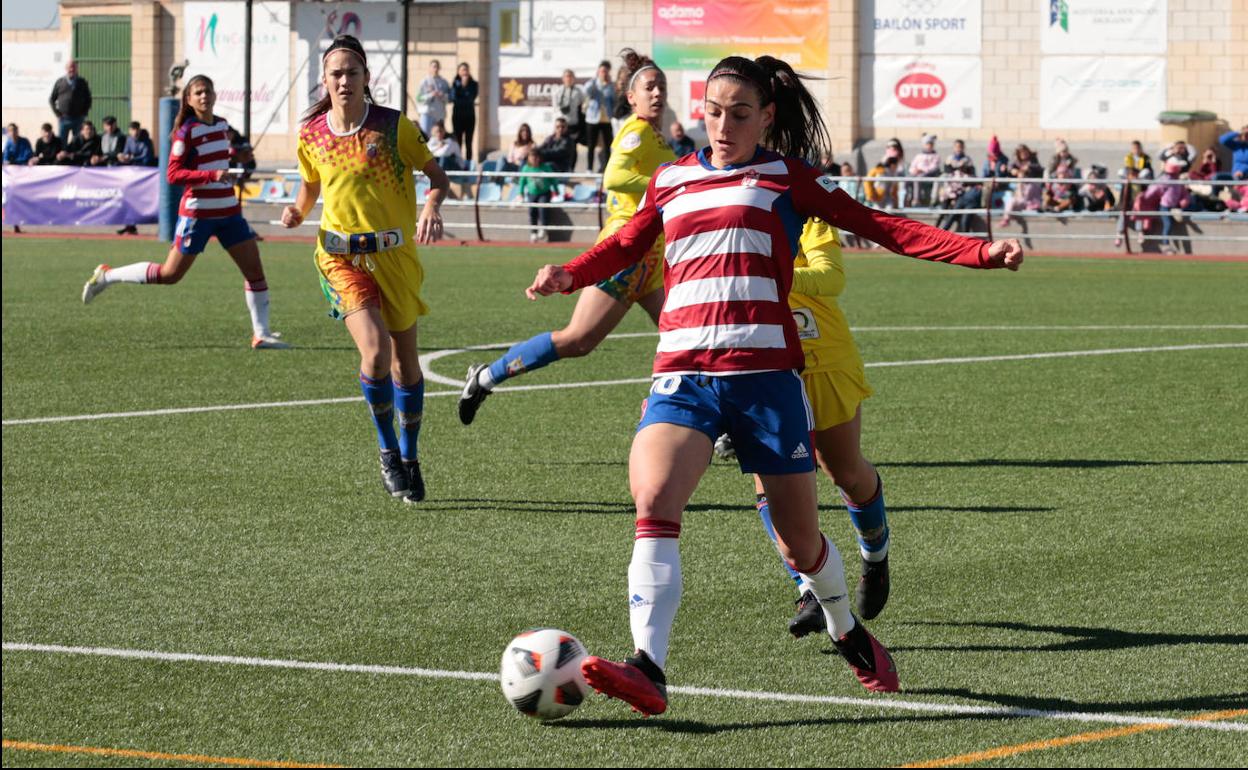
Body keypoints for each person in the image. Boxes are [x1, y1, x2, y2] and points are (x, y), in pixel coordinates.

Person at [525, 54, 1022, 716]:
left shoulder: (789, 180)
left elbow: (881, 227)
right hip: (684, 373)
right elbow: (628, 245)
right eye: (712, 112)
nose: (722, 125)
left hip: (766, 382)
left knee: (800, 543)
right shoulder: (670, 179)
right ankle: (649, 665)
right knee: (653, 496)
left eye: (738, 113)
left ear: (766, 117)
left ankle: (846, 629)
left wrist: (978, 252)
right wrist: (571, 272)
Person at [458, 48, 675, 425]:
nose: (657, 94)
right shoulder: (636, 132)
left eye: (662, 87)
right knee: (578, 340)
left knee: (688, 336)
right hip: (626, 249)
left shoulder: (659, 139)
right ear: (631, 97)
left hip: (652, 259)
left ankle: (708, 423)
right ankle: (485, 376)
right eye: (650, 87)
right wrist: (668, 188)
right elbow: (614, 178)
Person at [280, 35, 448, 502]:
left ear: (367, 78)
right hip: (339, 256)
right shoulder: (311, 134)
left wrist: (432, 204)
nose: (344, 80)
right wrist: (297, 211)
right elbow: (310, 186)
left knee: (405, 365)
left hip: (394, 257)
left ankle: (411, 457)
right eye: (336, 73)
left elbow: (437, 176)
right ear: (325, 80)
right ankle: (387, 450)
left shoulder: (394, 128)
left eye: (352, 72)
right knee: (373, 351)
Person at [81, 74, 288, 353]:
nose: (204, 96)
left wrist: (239, 158)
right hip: (198, 214)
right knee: (170, 274)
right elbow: (173, 174)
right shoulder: (186, 132)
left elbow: (225, 160)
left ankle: (261, 335)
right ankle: (107, 275)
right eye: (198, 92)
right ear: (189, 100)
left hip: (228, 212)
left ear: (215, 95)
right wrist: (212, 174)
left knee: (255, 271)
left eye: (208, 91)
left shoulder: (223, 126)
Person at [49, 60, 92, 145]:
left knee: (78, 142)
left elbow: (88, 98)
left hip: (78, 119)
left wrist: (84, 113)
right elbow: (52, 99)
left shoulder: (82, 82)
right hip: (64, 119)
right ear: (66, 69)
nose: (71, 69)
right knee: (62, 143)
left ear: (77, 69)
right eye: (69, 67)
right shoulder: (60, 82)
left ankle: (76, 158)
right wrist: (58, 114)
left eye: (73, 67)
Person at [583, 61, 616, 172]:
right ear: (598, 72)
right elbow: (586, 91)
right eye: (602, 71)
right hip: (593, 119)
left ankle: (607, 168)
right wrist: (595, 80)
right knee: (591, 145)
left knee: (608, 145)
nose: (604, 74)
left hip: (606, 119)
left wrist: (610, 85)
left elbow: (613, 100)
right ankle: (589, 168)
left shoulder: (610, 86)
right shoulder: (593, 83)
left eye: (606, 72)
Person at [518, 148, 556, 242]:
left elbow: (553, 180)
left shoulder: (545, 167)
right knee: (532, 211)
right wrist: (521, 193)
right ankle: (533, 232)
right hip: (532, 193)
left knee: (542, 208)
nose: (534, 159)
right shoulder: (526, 168)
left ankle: (543, 228)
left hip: (544, 192)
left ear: (539, 158)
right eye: (532, 157)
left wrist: (556, 190)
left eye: (536, 157)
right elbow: (522, 181)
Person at [552, 69, 587, 162]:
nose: (568, 79)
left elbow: (583, 104)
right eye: (566, 76)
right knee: (558, 146)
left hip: (573, 125)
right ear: (563, 78)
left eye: (570, 76)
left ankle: (571, 169)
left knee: (572, 148)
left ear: (574, 78)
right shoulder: (558, 91)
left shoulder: (578, 91)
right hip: (561, 125)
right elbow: (555, 108)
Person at [449, 62, 478, 164]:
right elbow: (453, 98)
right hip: (457, 116)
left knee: (469, 142)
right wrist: (461, 86)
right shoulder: (454, 84)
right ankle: (459, 162)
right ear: (458, 72)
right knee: (458, 141)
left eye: (466, 69)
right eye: (462, 70)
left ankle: (469, 162)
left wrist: (465, 86)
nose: (464, 72)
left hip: (469, 116)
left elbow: (471, 98)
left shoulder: (474, 84)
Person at [417, 60, 450, 137]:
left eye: (437, 67)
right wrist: (430, 95)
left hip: (439, 115)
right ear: (430, 68)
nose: (435, 69)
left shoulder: (444, 82)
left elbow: (449, 98)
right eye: (434, 66)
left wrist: (442, 96)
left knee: (438, 136)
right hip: (427, 114)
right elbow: (418, 98)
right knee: (425, 136)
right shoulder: (424, 81)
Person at [907, 134, 941, 206]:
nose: (929, 146)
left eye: (930, 144)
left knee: (918, 179)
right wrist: (914, 170)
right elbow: (912, 166)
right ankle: (909, 200)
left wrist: (922, 170)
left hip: (929, 176)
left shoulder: (935, 156)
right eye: (927, 144)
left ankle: (918, 200)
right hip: (917, 174)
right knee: (908, 180)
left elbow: (934, 167)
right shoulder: (919, 156)